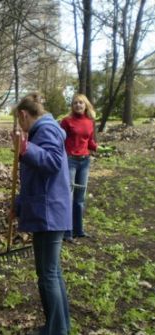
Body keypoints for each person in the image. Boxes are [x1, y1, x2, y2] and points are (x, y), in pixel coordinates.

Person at [12, 93, 72, 335]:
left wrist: (24, 148)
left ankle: (55, 330)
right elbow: (36, 178)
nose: (21, 126)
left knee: (47, 273)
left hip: (49, 212)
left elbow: (52, 163)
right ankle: (60, 325)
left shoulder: (46, 130)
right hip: (49, 208)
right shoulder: (46, 130)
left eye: (20, 121)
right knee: (52, 272)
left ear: (24, 115)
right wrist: (18, 204)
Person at [60, 93, 98, 243]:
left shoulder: (89, 121)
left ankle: (78, 230)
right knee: (68, 197)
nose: (78, 105)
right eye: (75, 103)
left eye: (81, 103)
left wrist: (97, 148)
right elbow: (60, 140)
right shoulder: (66, 121)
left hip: (85, 161)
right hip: (70, 160)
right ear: (72, 106)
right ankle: (67, 232)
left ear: (85, 105)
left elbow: (89, 141)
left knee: (80, 198)